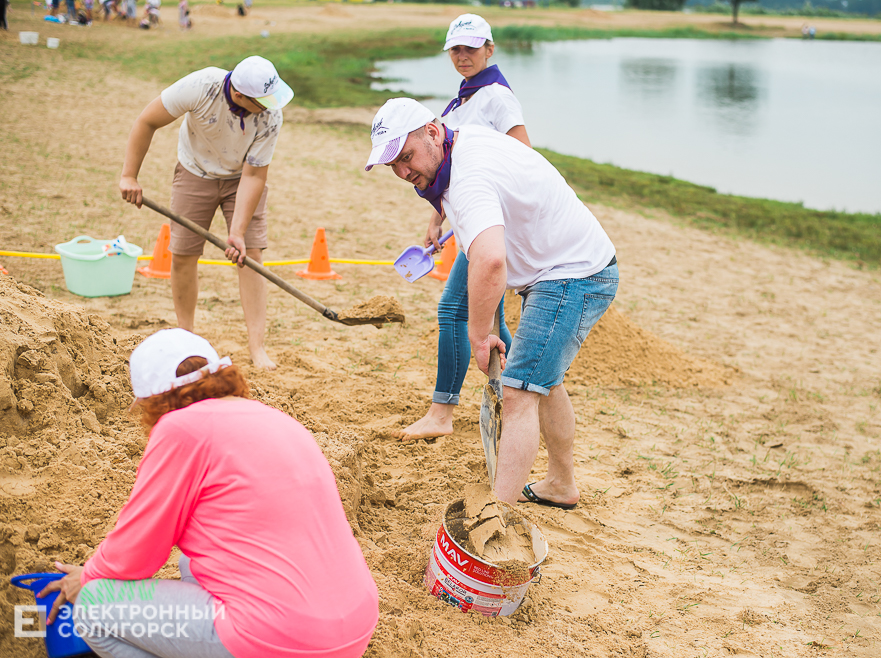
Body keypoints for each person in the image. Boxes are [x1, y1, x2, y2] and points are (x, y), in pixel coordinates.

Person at [39, 328, 379, 658]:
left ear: (154, 398)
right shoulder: (275, 418)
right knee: (191, 560)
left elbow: (137, 550)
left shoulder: (180, 428)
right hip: (354, 625)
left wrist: (88, 576)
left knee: (93, 604)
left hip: (277, 634)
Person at [365, 99, 618, 510]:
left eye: (406, 157)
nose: (403, 172)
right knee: (543, 380)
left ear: (433, 132)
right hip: (563, 267)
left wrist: (479, 335)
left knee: (518, 392)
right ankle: (560, 484)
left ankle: (497, 514)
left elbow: (490, 261)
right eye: (392, 164)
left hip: (573, 273)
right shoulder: (457, 150)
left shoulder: (468, 176)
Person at [393, 13, 531, 442]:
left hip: (488, 226)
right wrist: (436, 219)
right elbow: (447, 166)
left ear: (490, 49)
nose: (462, 55)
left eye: (471, 48)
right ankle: (523, 395)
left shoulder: (497, 97)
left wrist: (494, 215)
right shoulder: (459, 102)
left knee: (454, 310)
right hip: (471, 222)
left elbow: (523, 157)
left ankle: (442, 413)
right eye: (455, 49)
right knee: (494, 322)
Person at [119, 56, 292, 370]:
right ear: (239, 94)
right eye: (263, 101)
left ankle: (257, 347)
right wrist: (130, 176)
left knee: (251, 256)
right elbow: (147, 121)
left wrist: (237, 232)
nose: (271, 106)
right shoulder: (201, 86)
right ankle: (187, 337)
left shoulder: (271, 116)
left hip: (242, 178)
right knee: (183, 254)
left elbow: (254, 175)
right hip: (194, 171)